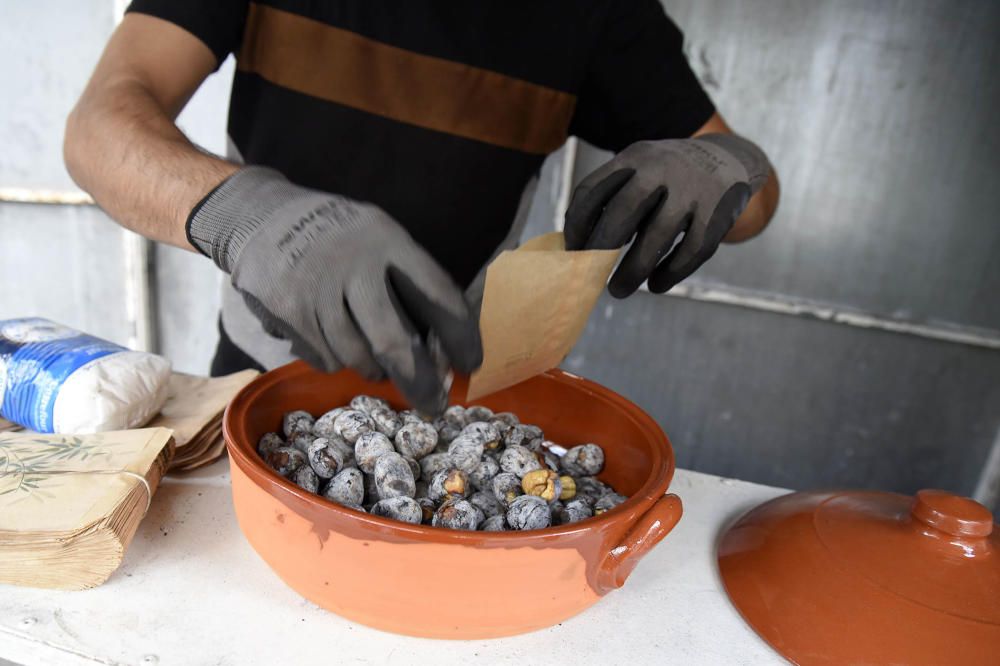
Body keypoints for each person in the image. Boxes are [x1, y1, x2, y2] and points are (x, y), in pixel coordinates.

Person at [65, 1, 780, 414]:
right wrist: (251, 217)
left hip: (444, 396)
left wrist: (728, 164)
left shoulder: (597, 13)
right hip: (255, 378)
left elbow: (756, 200)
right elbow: (100, 127)